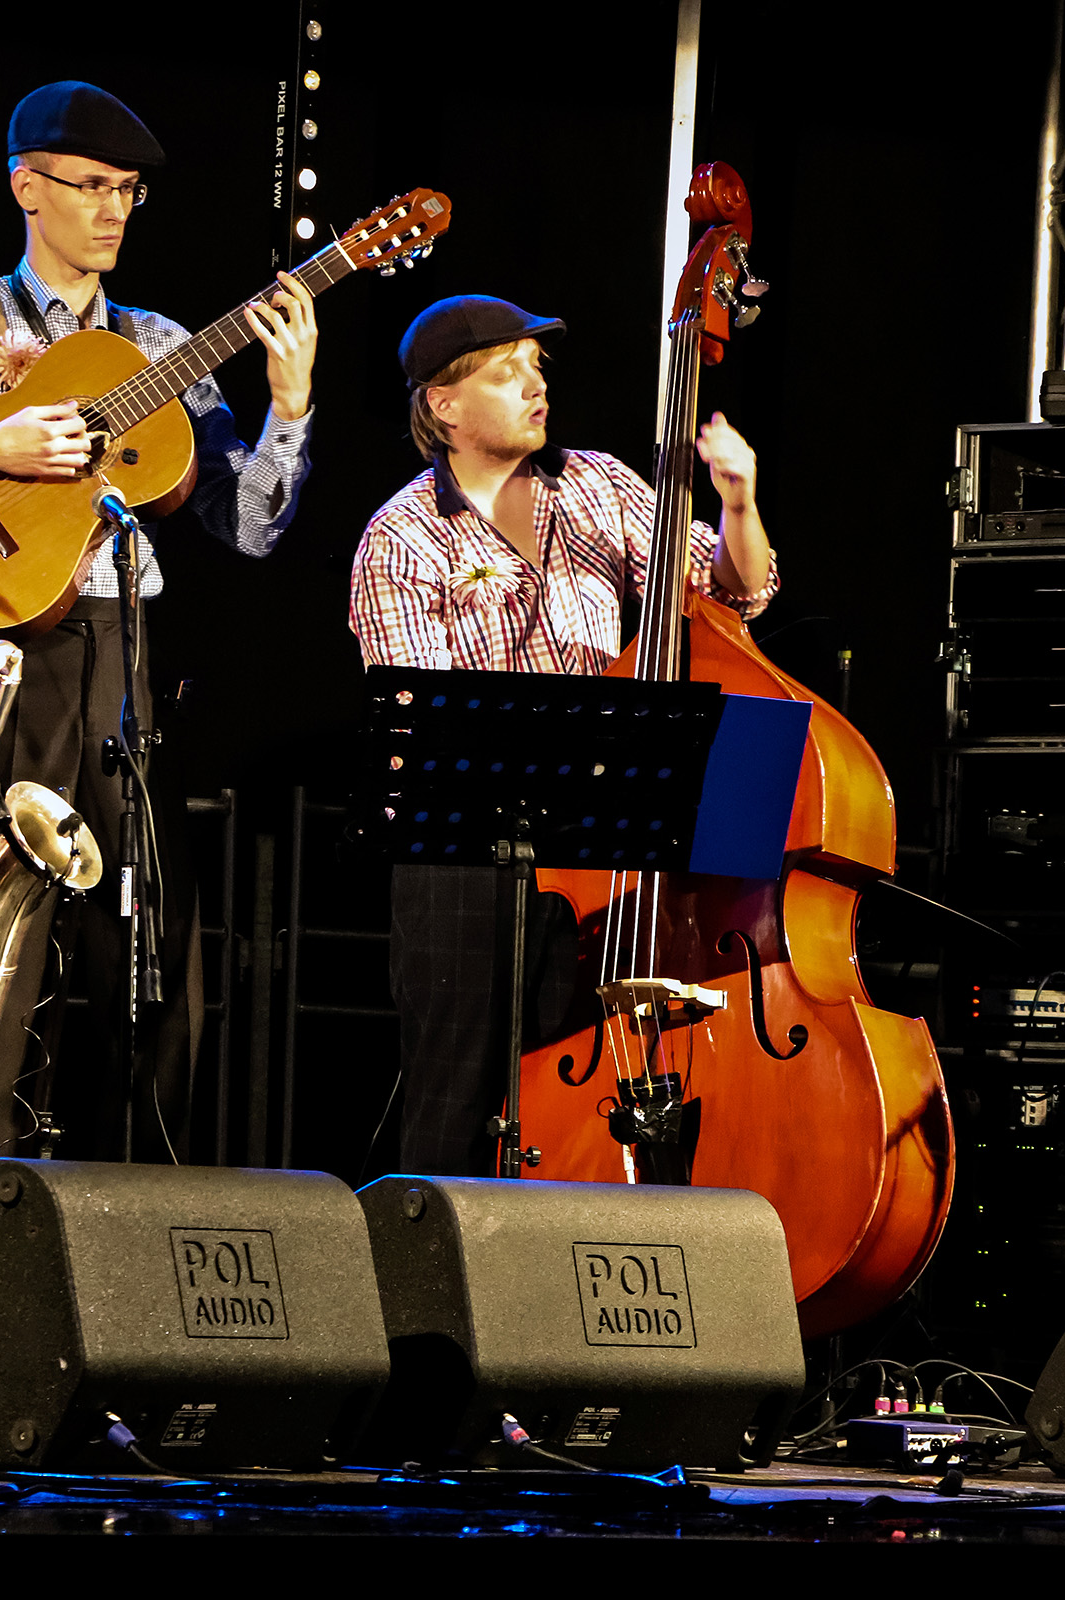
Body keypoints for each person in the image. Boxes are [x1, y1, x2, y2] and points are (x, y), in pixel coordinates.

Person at [0, 81, 318, 1162]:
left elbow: (248, 525)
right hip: (1, 645)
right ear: (25, 186)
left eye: (128, 191)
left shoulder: (158, 343)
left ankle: (138, 1198)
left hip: (122, 653)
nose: (113, 211)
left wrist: (291, 406)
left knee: (153, 950)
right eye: (90, 186)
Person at [347, 294, 780, 1175]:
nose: (536, 386)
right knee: (456, 1100)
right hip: (466, 861)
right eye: (507, 373)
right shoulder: (400, 538)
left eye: (537, 368)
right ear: (443, 404)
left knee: (578, 1096)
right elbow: (427, 725)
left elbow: (735, 594)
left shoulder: (598, 487)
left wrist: (739, 505)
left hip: (593, 856)